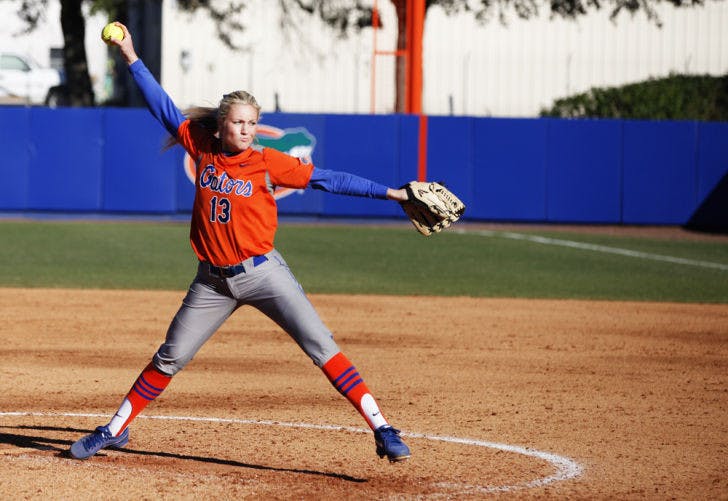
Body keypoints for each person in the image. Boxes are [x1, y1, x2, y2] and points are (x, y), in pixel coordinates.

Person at [69, 22, 411, 463]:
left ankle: (383, 429)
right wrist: (131, 55)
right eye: (238, 122)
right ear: (222, 124)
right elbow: (159, 103)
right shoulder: (202, 145)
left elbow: (329, 179)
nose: (247, 130)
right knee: (169, 358)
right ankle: (114, 429)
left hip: (264, 274)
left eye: (252, 123)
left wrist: (395, 193)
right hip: (211, 282)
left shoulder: (268, 162)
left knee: (322, 348)